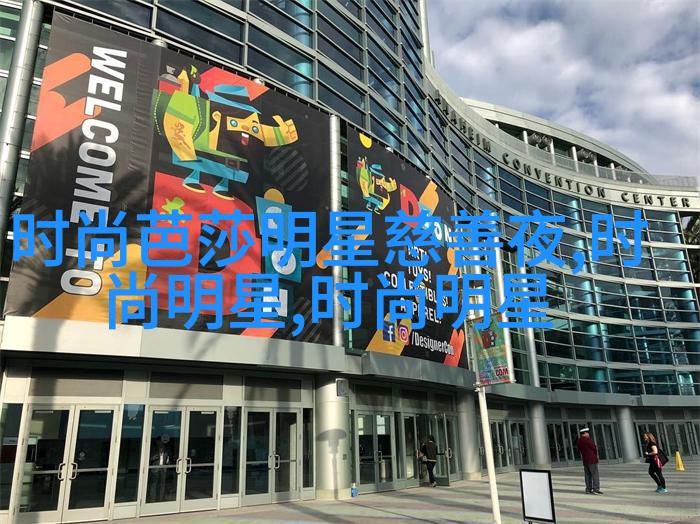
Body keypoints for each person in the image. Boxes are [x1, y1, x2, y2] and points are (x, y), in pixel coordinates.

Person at [576, 428, 603, 495]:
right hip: (592, 459)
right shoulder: (587, 440)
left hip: (585, 460)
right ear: (585, 433)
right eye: (587, 432)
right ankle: (596, 489)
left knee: (587, 475)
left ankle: (588, 489)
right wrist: (596, 456)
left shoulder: (579, 440)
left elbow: (578, 449)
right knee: (595, 475)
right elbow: (594, 447)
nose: (588, 434)